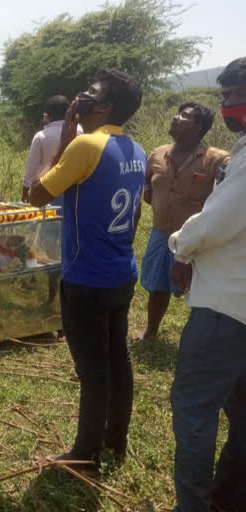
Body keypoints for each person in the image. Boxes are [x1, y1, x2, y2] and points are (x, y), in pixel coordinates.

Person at [29, 69, 146, 470]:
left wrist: (66, 138)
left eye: (91, 92)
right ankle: (117, 439)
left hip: (86, 277)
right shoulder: (137, 150)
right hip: (121, 272)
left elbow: (37, 194)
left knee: (94, 370)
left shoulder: (85, 145)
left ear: (106, 106)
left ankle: (84, 453)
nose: (82, 96)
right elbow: (135, 215)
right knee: (119, 358)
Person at [169, 57, 246, 512]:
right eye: (225, 94)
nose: (228, 104)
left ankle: (193, 506)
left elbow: (218, 221)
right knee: (241, 409)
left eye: (235, 94)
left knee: (195, 407)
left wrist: (181, 245)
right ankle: (230, 496)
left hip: (225, 305)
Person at [139, 103, 230, 340]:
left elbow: (225, 198)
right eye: (177, 113)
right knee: (158, 285)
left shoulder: (217, 160)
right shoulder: (158, 154)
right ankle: (151, 330)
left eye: (184, 116)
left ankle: (200, 339)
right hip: (161, 233)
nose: (175, 117)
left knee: (199, 289)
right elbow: (147, 191)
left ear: (199, 127)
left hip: (197, 239)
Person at [22, 95, 83, 204]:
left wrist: (25, 189)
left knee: (50, 218)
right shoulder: (79, 130)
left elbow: (31, 166)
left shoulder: (41, 136)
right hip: (74, 188)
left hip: (47, 188)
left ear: (47, 115)